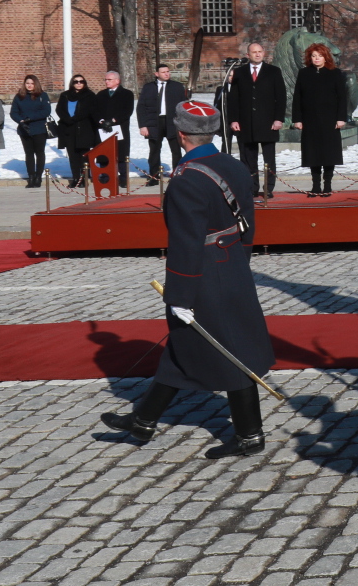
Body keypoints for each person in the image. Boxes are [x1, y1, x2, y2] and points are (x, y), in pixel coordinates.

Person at [100, 100, 272, 459]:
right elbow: (248, 224)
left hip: (205, 275)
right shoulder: (234, 166)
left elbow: (185, 243)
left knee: (229, 349)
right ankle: (144, 421)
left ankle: (250, 435)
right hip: (233, 266)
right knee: (184, 346)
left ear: (181, 135)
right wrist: (240, 261)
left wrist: (178, 294)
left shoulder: (186, 180)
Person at [226, 42, 286, 200]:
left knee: (269, 159)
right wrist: (233, 120)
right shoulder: (239, 72)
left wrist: (278, 119)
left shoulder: (273, 71)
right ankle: (251, 187)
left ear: (264, 53)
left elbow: (280, 97)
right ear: (248, 55)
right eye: (254, 52)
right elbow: (233, 99)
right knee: (248, 158)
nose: (258, 54)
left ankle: (268, 188)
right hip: (246, 124)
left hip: (268, 123)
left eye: (260, 51)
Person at [292, 44, 350, 197]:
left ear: (326, 57)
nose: (317, 59)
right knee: (313, 153)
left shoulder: (335, 73)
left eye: (320, 56)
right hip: (310, 119)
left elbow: (342, 98)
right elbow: (297, 97)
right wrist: (297, 119)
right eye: (313, 56)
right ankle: (316, 186)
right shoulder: (304, 73)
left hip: (330, 120)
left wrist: (341, 118)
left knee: (328, 152)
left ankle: (328, 186)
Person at [136, 64, 188, 186]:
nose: (166, 74)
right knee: (154, 150)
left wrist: (183, 124)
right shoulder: (148, 88)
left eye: (168, 71)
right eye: (163, 72)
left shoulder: (177, 87)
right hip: (154, 122)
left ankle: (177, 176)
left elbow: (183, 106)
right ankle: (154, 177)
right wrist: (143, 125)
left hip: (172, 122)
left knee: (176, 150)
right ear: (157, 74)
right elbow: (141, 107)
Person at [54, 74, 97, 189]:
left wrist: (75, 118)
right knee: (73, 157)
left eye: (81, 81)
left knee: (83, 156)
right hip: (68, 128)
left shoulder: (90, 95)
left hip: (84, 129)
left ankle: (84, 179)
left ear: (84, 83)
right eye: (76, 81)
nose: (78, 84)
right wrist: (67, 119)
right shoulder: (65, 95)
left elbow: (89, 110)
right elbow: (59, 109)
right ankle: (76, 178)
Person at [11, 75, 53, 189]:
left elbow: (46, 111)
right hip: (24, 129)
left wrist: (31, 118)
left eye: (32, 83)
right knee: (29, 153)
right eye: (27, 83)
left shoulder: (42, 96)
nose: (29, 85)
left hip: (39, 128)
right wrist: (21, 121)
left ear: (36, 84)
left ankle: (38, 176)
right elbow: (13, 112)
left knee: (39, 152)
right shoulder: (19, 96)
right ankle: (31, 176)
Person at [96, 70, 136, 191]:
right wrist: (102, 121)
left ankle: (123, 177)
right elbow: (95, 110)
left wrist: (113, 120)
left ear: (117, 81)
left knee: (121, 152)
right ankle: (105, 175)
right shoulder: (101, 94)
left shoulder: (127, 94)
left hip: (119, 128)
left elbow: (127, 111)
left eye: (109, 80)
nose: (106, 82)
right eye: (106, 80)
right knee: (104, 152)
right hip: (104, 129)